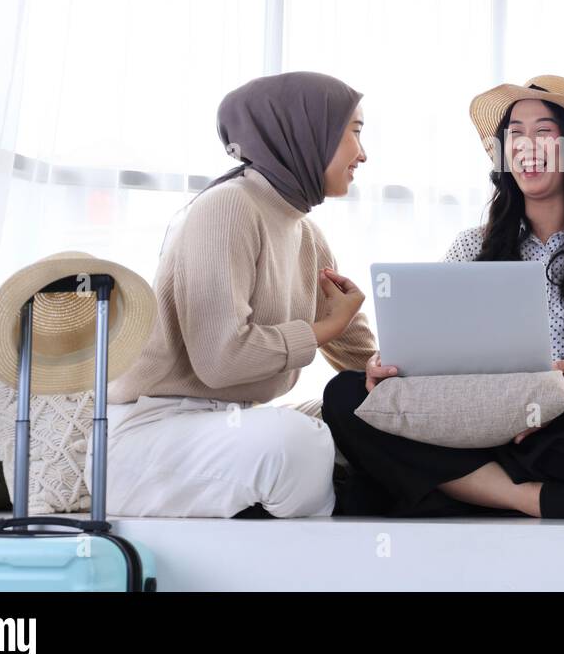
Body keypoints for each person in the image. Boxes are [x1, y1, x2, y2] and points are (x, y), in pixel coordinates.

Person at [322, 76, 564, 520]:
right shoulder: (470, 247)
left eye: (544, 132)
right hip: (470, 423)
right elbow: (432, 349)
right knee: (347, 394)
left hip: (558, 421)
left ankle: (445, 489)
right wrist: (387, 368)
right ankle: (528, 499)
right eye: (515, 135)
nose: (526, 146)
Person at [89, 71, 376, 518]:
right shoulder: (228, 206)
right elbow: (221, 359)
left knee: (360, 413)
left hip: (228, 426)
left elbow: (362, 358)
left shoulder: (306, 232)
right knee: (297, 443)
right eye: (354, 133)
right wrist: (324, 330)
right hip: (152, 433)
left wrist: (403, 380)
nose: (363, 154)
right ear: (305, 132)